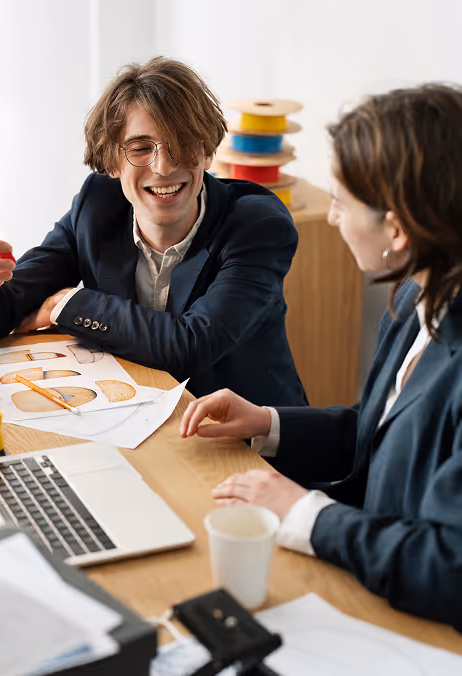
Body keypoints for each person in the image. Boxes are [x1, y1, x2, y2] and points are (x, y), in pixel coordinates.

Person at [180, 84, 462, 628]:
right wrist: (267, 423)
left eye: (340, 201)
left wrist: (306, 514)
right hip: (372, 588)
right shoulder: (415, 296)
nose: (331, 218)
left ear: (398, 229)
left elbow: (448, 569)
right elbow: (381, 436)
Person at [0, 57, 307, 406]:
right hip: (140, 422)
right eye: (140, 148)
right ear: (111, 161)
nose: (163, 166)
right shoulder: (97, 206)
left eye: (183, 144)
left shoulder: (258, 224)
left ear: (207, 152)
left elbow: (191, 345)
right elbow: (5, 310)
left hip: (250, 447)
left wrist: (65, 305)